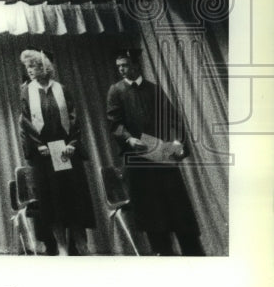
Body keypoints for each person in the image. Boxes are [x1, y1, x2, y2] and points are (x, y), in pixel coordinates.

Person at [106, 50, 204, 255]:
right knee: (150, 211)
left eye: (125, 64)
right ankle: (163, 253)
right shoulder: (116, 91)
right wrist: (128, 138)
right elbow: (114, 123)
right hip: (137, 160)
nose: (122, 69)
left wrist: (178, 143)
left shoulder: (155, 90)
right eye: (119, 66)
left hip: (161, 157)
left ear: (136, 65)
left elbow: (173, 118)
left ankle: (192, 254)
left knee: (176, 206)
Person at [18, 49, 95, 255]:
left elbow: (73, 118)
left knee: (74, 199)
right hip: (44, 156)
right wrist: (38, 145)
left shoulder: (62, 89)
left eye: (33, 66)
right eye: (27, 67)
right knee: (52, 201)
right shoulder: (27, 91)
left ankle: (81, 243)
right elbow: (26, 121)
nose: (30, 70)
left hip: (66, 152)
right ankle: (61, 245)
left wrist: (73, 143)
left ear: (44, 67)